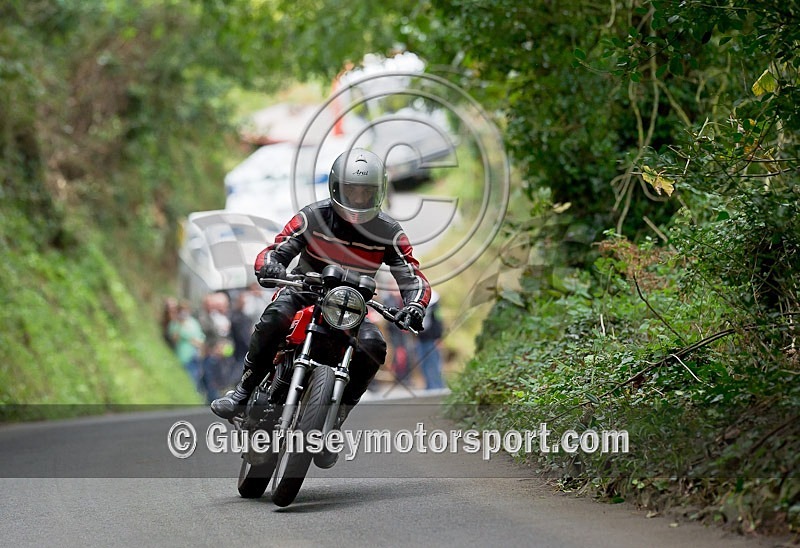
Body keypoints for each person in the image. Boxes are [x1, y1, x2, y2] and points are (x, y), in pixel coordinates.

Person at [211, 148, 431, 425]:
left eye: (366, 192)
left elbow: (412, 276)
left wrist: (414, 305)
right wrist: (270, 266)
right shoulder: (312, 217)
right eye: (352, 191)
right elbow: (274, 251)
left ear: (379, 192)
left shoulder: (389, 232)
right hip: (303, 293)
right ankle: (242, 393)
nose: (359, 199)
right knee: (275, 317)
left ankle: (336, 417)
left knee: (373, 345)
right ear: (336, 188)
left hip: (351, 307)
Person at [415, 290, 445, 390]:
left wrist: (439, 338)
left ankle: (438, 386)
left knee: (434, 363)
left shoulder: (435, 305)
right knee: (424, 364)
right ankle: (429, 386)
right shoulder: (418, 305)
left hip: (432, 339)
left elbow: (438, 322)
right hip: (421, 339)